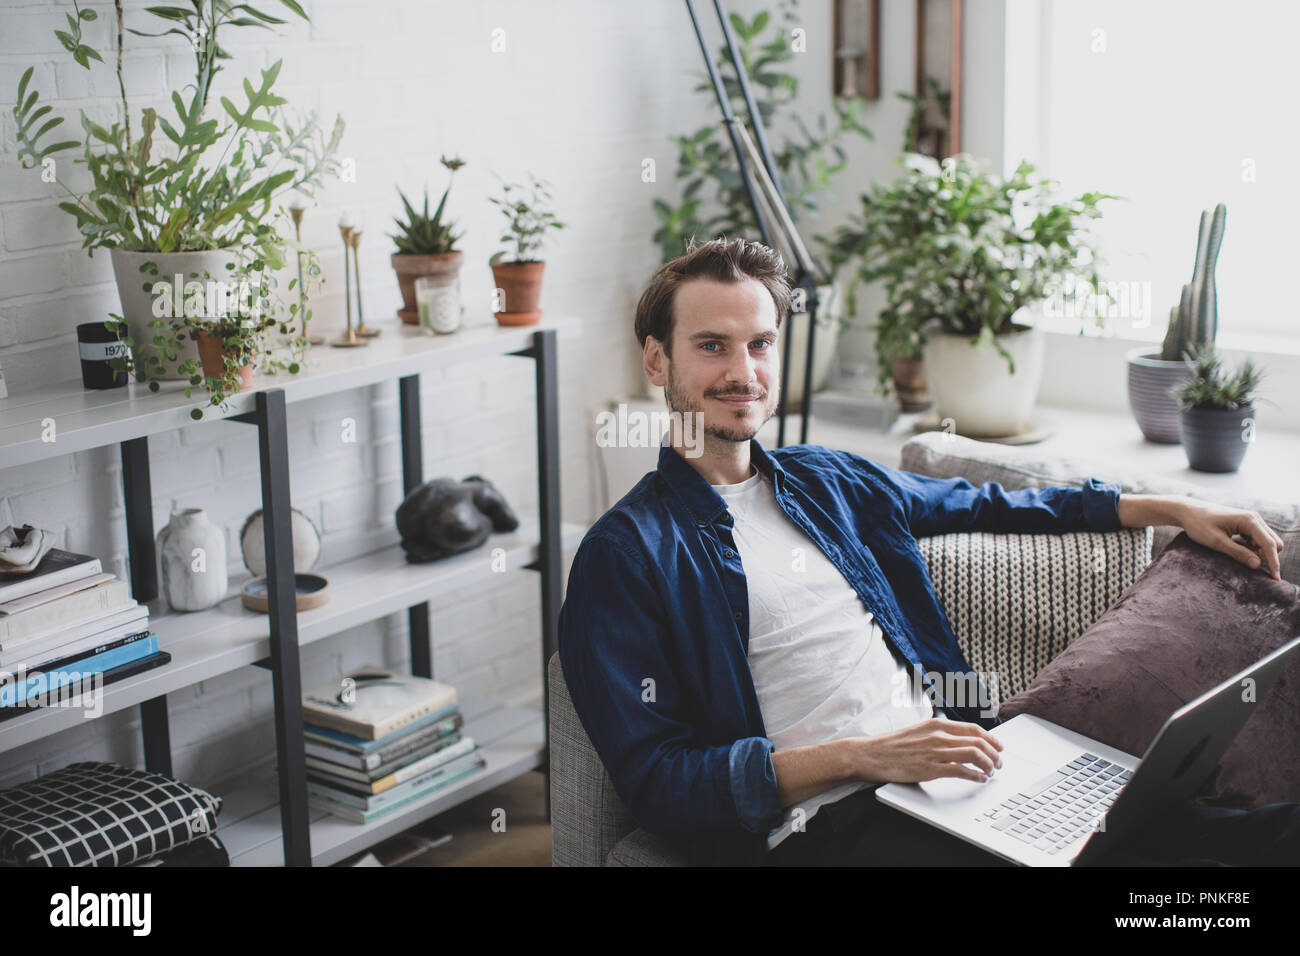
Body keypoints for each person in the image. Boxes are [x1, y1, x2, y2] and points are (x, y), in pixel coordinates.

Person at [557, 237, 1296, 866]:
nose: (742, 372)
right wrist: (865, 757)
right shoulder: (625, 555)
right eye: (711, 346)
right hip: (832, 827)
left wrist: (1173, 509)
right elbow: (658, 782)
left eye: (760, 344)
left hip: (960, 777)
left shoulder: (828, 480)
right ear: (656, 361)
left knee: (1227, 832)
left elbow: (991, 502)